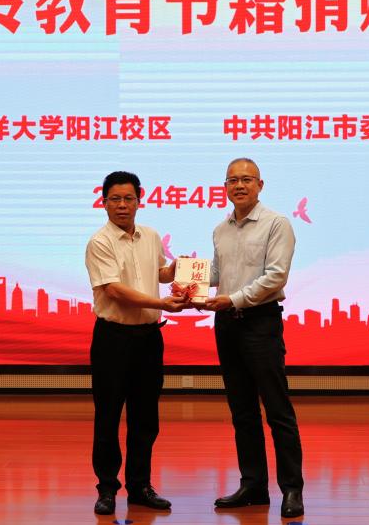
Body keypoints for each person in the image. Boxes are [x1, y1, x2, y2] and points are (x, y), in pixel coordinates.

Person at [205, 157, 305, 519]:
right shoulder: (221, 229)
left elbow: (275, 277)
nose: (239, 186)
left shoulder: (277, 224)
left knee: (277, 410)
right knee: (242, 411)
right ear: (225, 187)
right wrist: (186, 277)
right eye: (232, 180)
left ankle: (291, 489)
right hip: (227, 325)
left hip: (260, 323)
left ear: (260, 185)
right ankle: (253, 486)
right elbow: (216, 273)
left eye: (246, 179)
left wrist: (233, 299)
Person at [85, 170, 188, 516]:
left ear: (139, 201)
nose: (122, 205)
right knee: (108, 416)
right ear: (104, 203)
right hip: (113, 339)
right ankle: (107, 489)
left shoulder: (151, 236)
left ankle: (140, 486)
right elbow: (114, 290)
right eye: (115, 199)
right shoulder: (100, 242)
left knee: (146, 418)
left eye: (128, 198)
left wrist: (180, 270)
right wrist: (161, 303)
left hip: (148, 339)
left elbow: (159, 273)